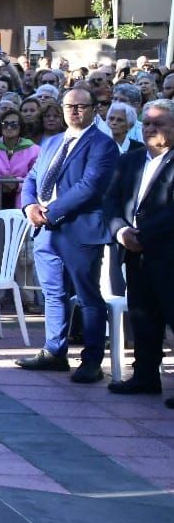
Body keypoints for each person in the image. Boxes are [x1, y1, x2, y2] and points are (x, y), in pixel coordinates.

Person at [16, 86, 118, 383]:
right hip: (46, 231)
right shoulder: (52, 142)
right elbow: (32, 177)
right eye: (69, 106)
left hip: (80, 230)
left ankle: (92, 360)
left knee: (87, 297)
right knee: (53, 294)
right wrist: (29, 206)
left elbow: (90, 186)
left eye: (81, 106)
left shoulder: (102, 144)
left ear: (94, 110)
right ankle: (54, 351)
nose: (74, 111)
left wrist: (50, 212)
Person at [104, 99, 174, 404]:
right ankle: (146, 376)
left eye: (159, 123)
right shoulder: (129, 161)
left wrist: (142, 235)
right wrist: (121, 231)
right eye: (147, 123)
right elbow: (111, 202)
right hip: (135, 253)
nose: (151, 129)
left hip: (168, 252)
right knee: (143, 316)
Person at [0, 111, 40, 216]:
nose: (9, 127)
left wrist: (16, 183)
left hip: (21, 206)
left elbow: (35, 180)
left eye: (14, 124)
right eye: (5, 124)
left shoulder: (34, 150)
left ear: (21, 127)